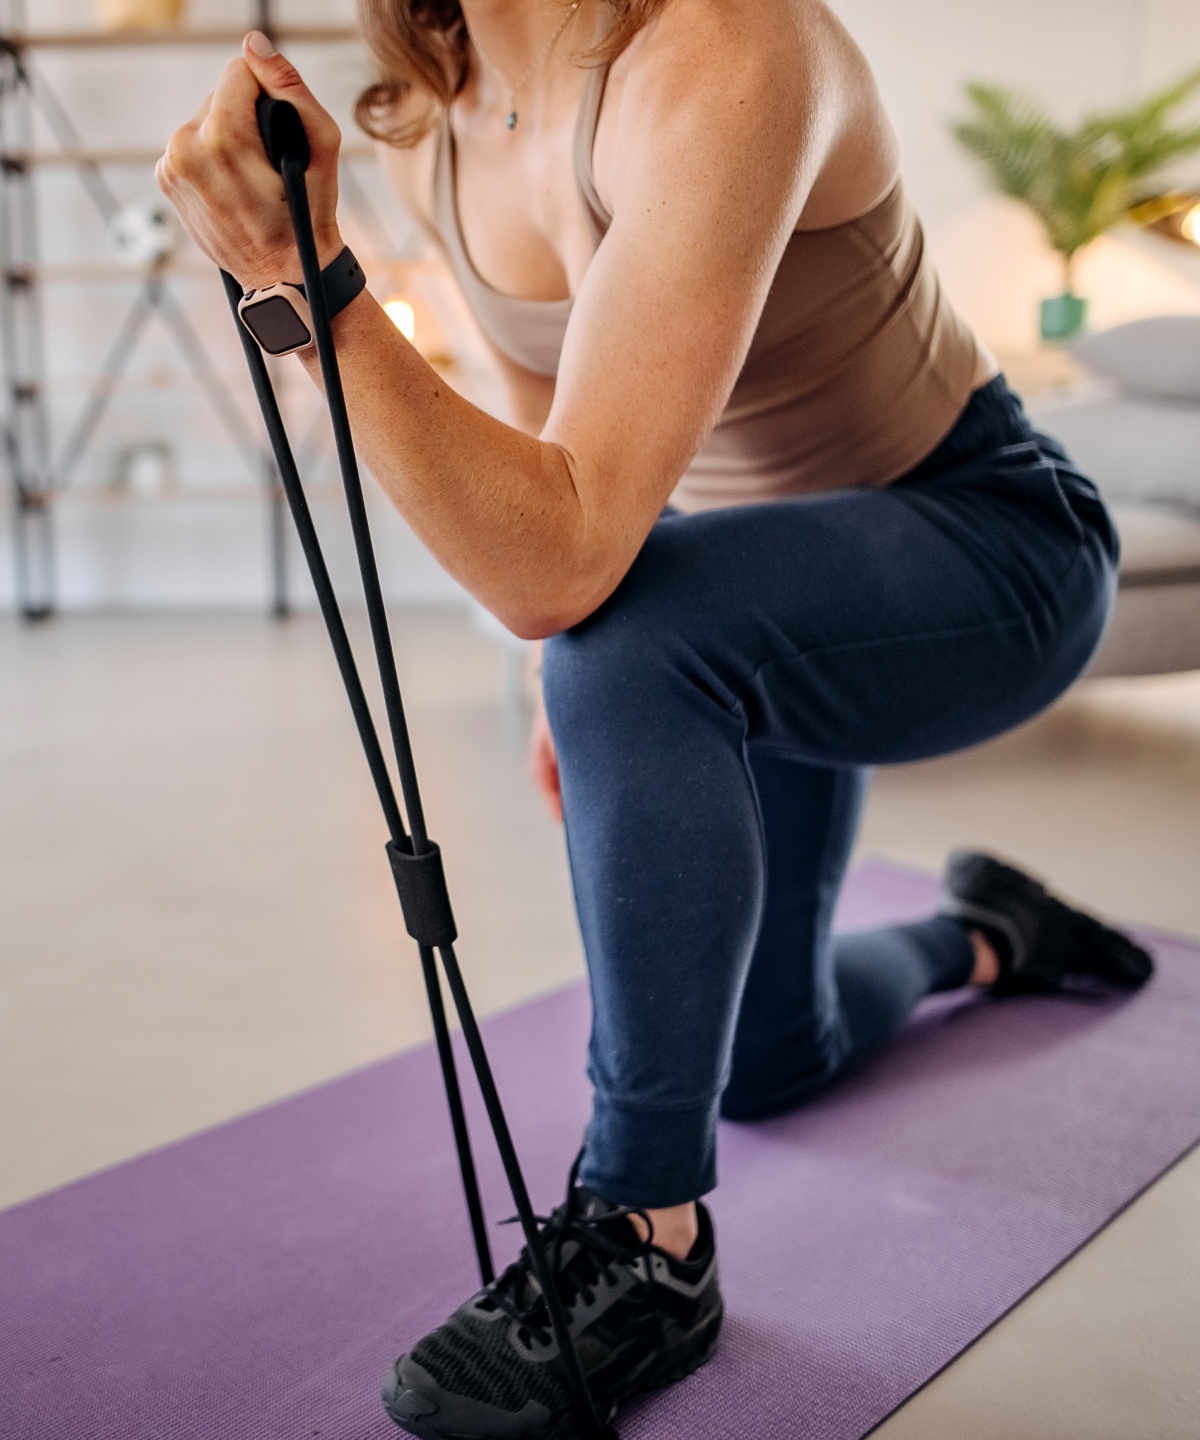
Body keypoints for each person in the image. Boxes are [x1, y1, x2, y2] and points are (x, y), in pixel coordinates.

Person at [158, 3, 1154, 1434]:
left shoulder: (733, 44)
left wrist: (299, 279)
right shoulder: (439, 109)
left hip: (985, 549)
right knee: (766, 1062)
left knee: (629, 647)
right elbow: (544, 461)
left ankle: (647, 1233)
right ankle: (996, 933)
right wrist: (594, 664)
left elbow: (557, 557)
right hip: (749, 600)